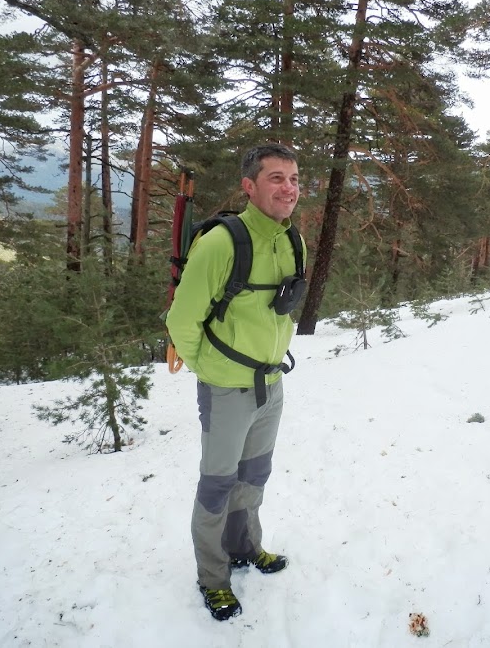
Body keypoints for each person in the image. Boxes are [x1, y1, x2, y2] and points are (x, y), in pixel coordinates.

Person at [166, 143, 305, 621]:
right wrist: (208, 370)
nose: (288, 188)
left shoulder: (292, 240)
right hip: (227, 388)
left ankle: (247, 547)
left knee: (254, 477)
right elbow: (182, 320)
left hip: (271, 384)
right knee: (217, 486)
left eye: (293, 178)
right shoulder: (222, 243)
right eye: (276, 178)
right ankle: (213, 578)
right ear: (250, 186)